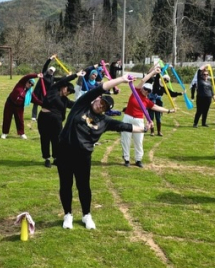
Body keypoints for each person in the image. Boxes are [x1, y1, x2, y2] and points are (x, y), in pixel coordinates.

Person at [56, 74, 148, 230]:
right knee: (66, 185)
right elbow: (102, 87)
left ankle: (86, 215)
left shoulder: (104, 121)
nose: (100, 106)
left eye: (104, 107)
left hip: (83, 156)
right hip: (65, 152)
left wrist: (143, 129)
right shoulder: (82, 105)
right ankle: (68, 215)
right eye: (101, 102)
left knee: (83, 186)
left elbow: (123, 126)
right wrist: (122, 79)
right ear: (97, 99)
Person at [121, 67, 174, 168]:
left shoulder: (147, 101)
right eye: (145, 89)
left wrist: (168, 111)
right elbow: (143, 80)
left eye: (149, 91)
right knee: (126, 139)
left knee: (139, 141)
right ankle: (126, 159)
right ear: (142, 88)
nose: (146, 91)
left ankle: (138, 160)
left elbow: (156, 107)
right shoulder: (136, 92)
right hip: (127, 118)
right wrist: (153, 72)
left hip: (138, 120)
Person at [35, 71, 79, 167]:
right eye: (68, 90)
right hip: (44, 119)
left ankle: (56, 158)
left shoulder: (65, 100)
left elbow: (75, 104)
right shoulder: (53, 91)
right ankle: (47, 158)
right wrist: (75, 75)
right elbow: (63, 80)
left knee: (57, 139)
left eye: (70, 93)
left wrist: (88, 102)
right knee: (45, 138)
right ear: (64, 87)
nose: (68, 93)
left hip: (56, 121)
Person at [1, 73, 39, 139]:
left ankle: (21, 133)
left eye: (32, 84)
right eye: (30, 82)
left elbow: (36, 100)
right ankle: (4, 133)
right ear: (27, 81)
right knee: (7, 118)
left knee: (20, 120)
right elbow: (27, 76)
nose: (30, 84)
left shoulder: (29, 93)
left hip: (19, 107)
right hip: (10, 103)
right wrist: (37, 75)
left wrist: (45, 104)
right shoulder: (20, 84)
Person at [31, 55, 57, 121]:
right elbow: (45, 65)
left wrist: (68, 76)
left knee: (44, 104)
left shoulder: (52, 78)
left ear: (53, 72)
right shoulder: (44, 73)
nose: (50, 71)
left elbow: (61, 79)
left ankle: (44, 116)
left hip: (45, 93)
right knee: (36, 103)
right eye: (50, 70)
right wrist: (51, 58)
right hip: (38, 91)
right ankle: (34, 116)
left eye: (52, 71)